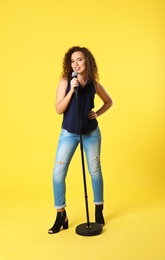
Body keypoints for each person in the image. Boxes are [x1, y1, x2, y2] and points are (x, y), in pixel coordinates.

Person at [48, 46, 113, 234]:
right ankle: (61, 215)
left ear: (88, 62)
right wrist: (71, 90)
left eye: (80, 60)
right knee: (58, 173)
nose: (75, 64)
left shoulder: (94, 84)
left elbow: (109, 101)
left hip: (91, 134)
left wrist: (97, 113)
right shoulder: (65, 82)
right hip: (69, 134)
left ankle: (98, 209)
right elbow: (59, 109)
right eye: (72, 61)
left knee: (95, 171)